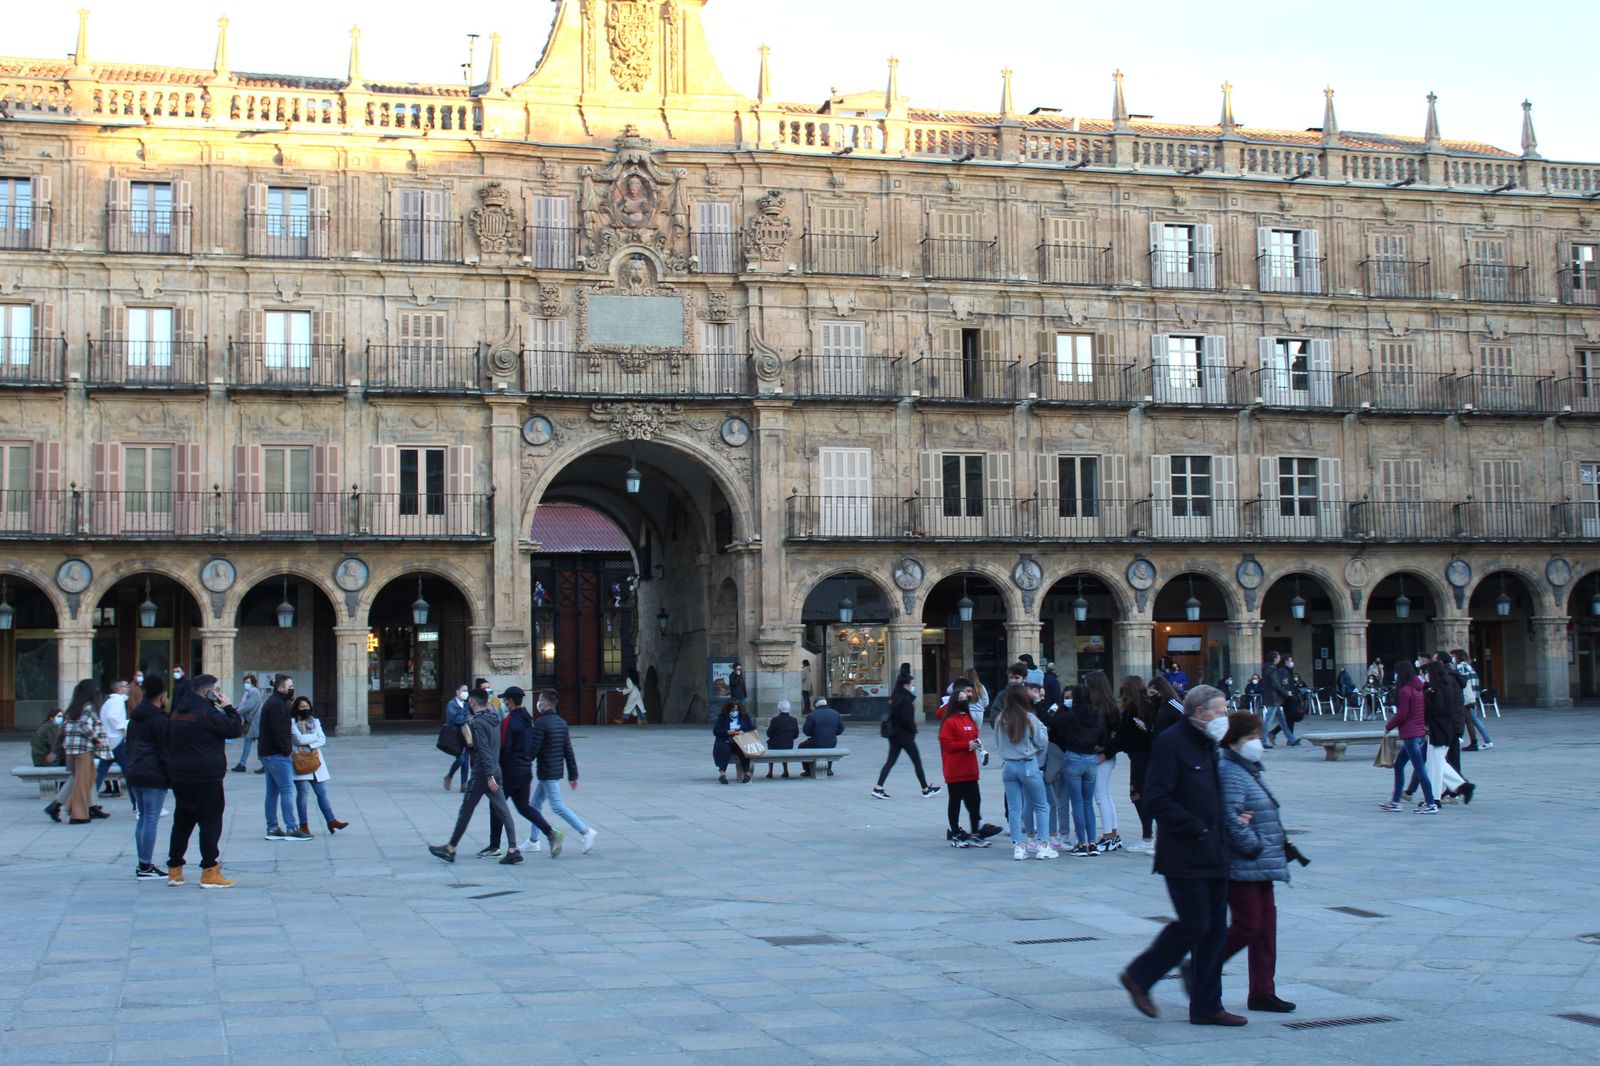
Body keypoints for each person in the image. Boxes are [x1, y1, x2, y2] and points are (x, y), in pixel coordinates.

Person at [1118, 684, 1247, 1027]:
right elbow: (1156, 798)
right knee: (1195, 923)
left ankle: (1207, 1005)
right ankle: (1139, 975)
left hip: (1216, 850)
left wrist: (1229, 820)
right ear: (1200, 712)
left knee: (1215, 931)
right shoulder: (1172, 741)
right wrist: (1197, 828)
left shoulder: (1212, 745)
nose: (1226, 716)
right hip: (1185, 852)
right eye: (1221, 710)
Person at [1216, 712, 1297, 1014]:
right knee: (1248, 925)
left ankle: (1263, 990)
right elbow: (1231, 817)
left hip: (1262, 862)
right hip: (1244, 863)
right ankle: (1202, 964)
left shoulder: (1248, 769)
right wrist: (1253, 846)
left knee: (1266, 929)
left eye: (1257, 737)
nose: (1256, 743)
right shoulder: (1230, 770)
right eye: (1250, 737)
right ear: (1234, 739)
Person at [164, 674, 245, 887]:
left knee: (182, 821)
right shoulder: (207, 713)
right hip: (206, 775)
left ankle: (174, 869)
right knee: (210, 821)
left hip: (180, 775)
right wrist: (228, 707)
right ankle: (210, 870)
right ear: (208, 691)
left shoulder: (176, 713)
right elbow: (235, 729)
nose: (218, 693)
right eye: (216, 690)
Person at [429, 691, 522, 864]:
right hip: (496, 769)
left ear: (472, 702)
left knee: (466, 810)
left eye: (469, 702)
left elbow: (484, 750)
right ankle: (513, 848)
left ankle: (450, 848)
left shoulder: (478, 723)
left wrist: (488, 776)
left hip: (483, 774)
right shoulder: (495, 719)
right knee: (503, 810)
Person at [485, 688, 563, 859]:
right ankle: (550, 832)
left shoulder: (509, 721)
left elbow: (504, 747)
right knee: (523, 807)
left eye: (505, 700)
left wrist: (495, 768)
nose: (504, 703)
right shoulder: (529, 719)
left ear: (511, 702)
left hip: (509, 770)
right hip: (525, 769)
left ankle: (494, 845)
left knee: (496, 804)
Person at [529, 690, 599, 853]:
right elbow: (568, 750)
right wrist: (573, 775)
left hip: (547, 770)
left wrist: (520, 763)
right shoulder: (561, 722)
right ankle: (533, 840)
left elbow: (533, 750)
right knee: (535, 804)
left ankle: (585, 831)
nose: (538, 703)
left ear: (544, 704)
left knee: (557, 806)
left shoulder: (541, 723)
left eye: (539, 700)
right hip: (555, 769)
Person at [992, 683, 1055, 860]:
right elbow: (1042, 741)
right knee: (1042, 805)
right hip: (1027, 763)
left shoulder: (1000, 718)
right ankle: (1043, 845)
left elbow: (997, 742)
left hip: (1009, 765)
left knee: (1014, 808)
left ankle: (1018, 846)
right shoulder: (1029, 718)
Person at [938, 680, 1000, 847]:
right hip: (955, 768)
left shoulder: (969, 719)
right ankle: (955, 832)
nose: (965, 700)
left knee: (975, 800)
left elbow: (974, 736)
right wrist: (966, 745)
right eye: (961, 698)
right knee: (955, 800)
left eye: (966, 697)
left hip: (970, 768)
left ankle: (976, 832)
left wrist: (978, 746)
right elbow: (946, 743)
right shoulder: (950, 721)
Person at [1052, 681, 1108, 857]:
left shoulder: (1070, 715)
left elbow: (1053, 724)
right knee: (1087, 803)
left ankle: (1081, 843)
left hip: (1073, 756)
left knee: (1076, 802)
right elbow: (1104, 739)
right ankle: (1092, 843)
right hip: (1090, 758)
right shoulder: (1097, 716)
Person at [123, 676, 171, 879]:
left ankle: (143, 862)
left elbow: (129, 744)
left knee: (143, 818)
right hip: (153, 773)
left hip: (135, 770)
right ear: (162, 695)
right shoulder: (160, 719)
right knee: (151, 818)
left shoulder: (135, 716)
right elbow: (165, 750)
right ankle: (145, 865)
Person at [1380, 661, 1438, 814]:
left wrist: (1388, 726)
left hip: (1411, 735)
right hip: (1416, 733)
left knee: (1420, 769)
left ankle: (1431, 803)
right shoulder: (1416, 689)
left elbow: (1402, 714)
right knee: (1399, 765)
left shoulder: (1405, 691)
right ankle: (1395, 801)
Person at [1416, 661, 1476, 805]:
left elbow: (1435, 710)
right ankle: (1462, 785)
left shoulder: (1440, 689)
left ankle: (1435, 799)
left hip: (1440, 730)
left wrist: (1425, 695)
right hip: (1440, 730)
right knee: (1436, 763)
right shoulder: (1438, 688)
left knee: (1435, 766)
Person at [872, 673, 939, 799]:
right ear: (906, 685)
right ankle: (925, 789)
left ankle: (878, 787)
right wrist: (913, 730)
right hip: (905, 735)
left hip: (894, 735)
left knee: (890, 761)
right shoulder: (906, 699)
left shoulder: (895, 697)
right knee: (917, 762)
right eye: (913, 685)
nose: (914, 687)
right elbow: (907, 719)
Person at [259, 674, 308, 841]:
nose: (292, 689)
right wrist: (286, 750)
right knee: (287, 790)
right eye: (290, 686)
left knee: (272, 792)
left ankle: (272, 828)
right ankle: (292, 827)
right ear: (281, 688)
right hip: (277, 754)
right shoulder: (276, 705)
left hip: (268, 753)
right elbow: (280, 731)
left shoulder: (274, 703)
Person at [290, 697, 349, 835]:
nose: (305, 709)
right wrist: (313, 738)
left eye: (307, 706)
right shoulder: (292, 722)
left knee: (322, 792)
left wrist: (310, 744)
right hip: (301, 761)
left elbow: (322, 739)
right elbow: (298, 739)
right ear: (296, 708)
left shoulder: (315, 721)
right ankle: (304, 825)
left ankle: (331, 820)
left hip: (315, 761)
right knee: (303, 794)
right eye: (302, 706)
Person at [1085, 671, 1126, 853]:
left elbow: (1115, 736)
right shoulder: (1111, 707)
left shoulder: (1104, 710)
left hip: (1102, 756)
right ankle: (1112, 834)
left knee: (1101, 796)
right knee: (1105, 796)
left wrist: (1104, 752)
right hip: (1106, 756)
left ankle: (1109, 836)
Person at [59, 680, 106, 825]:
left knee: (89, 777)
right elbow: (84, 725)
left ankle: (71, 807)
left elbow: (66, 726)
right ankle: (78, 815)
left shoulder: (75, 707)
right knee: (82, 781)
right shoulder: (89, 707)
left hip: (72, 748)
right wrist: (97, 739)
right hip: (84, 749)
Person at [1118, 675, 1156, 854]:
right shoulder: (1149, 705)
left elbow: (1125, 736)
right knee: (1144, 794)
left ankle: (1148, 837)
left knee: (1138, 795)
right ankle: (1149, 836)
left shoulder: (1132, 709)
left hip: (1140, 757)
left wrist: (1108, 749)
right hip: (1148, 755)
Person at [1450, 649, 1493, 750]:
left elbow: (1462, 682)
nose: (1451, 659)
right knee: (1471, 720)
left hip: (1466, 698)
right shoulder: (1469, 666)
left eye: (1452, 656)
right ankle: (1485, 740)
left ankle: (1485, 741)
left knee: (1471, 720)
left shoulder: (1461, 667)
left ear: (1457, 657)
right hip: (1472, 697)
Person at [97, 679, 130, 799]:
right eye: (125, 686)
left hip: (109, 742)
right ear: (118, 688)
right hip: (117, 742)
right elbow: (113, 716)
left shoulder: (109, 701)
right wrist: (123, 730)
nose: (127, 688)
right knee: (129, 773)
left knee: (100, 774)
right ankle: (137, 805)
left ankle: (88, 803)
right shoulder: (117, 700)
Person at [713, 699, 757, 784]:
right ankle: (722, 774)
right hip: (726, 740)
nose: (734, 712)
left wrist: (743, 732)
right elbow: (716, 731)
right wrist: (727, 732)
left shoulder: (744, 716)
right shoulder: (722, 717)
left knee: (743, 750)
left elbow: (751, 728)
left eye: (736, 710)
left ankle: (746, 774)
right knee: (725, 749)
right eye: (732, 710)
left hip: (740, 740)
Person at [799, 697, 843, 777]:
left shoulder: (812, 715)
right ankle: (828, 769)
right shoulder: (835, 713)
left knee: (802, 746)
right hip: (831, 741)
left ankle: (807, 770)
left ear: (815, 705)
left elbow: (806, 731)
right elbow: (841, 729)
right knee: (829, 748)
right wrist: (831, 734)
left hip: (816, 742)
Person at [443, 683, 472, 791]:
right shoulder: (452, 704)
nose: (466, 692)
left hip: (465, 735)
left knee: (465, 760)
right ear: (457, 692)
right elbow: (455, 719)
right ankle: (449, 775)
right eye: (463, 690)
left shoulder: (465, 704)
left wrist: (466, 717)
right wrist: (467, 717)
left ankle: (463, 784)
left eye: (467, 690)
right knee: (460, 759)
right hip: (455, 736)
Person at [1259, 652, 1293, 747]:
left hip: (1271, 696)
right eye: (1278, 658)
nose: (1279, 659)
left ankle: (1291, 738)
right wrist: (1286, 693)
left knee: (1282, 719)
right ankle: (1262, 740)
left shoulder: (1266, 668)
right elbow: (1275, 684)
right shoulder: (1272, 669)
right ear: (1274, 659)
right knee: (1268, 719)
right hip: (1274, 698)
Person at [231, 674, 262, 772]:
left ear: (253, 682)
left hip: (254, 721)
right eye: (245, 682)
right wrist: (232, 709)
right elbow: (242, 705)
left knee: (252, 742)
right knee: (251, 742)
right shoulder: (249, 692)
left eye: (248, 682)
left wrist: (236, 712)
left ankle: (243, 764)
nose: (246, 684)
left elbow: (248, 706)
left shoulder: (253, 692)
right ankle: (242, 763)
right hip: (252, 721)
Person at [765, 699, 799, 778]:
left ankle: (770, 772)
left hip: (775, 745)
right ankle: (785, 770)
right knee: (782, 745)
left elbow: (769, 734)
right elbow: (796, 735)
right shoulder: (794, 720)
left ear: (779, 709)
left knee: (770, 744)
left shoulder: (775, 720)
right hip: (788, 745)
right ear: (789, 708)